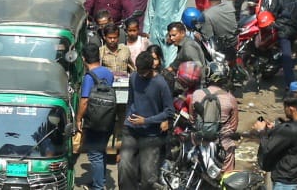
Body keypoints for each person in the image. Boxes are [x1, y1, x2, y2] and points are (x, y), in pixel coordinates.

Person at [118, 50, 173, 190]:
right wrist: (127, 120)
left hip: (151, 135)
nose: (140, 74)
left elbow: (169, 111)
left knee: (148, 176)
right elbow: (130, 101)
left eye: (143, 71)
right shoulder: (133, 77)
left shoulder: (161, 83)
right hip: (130, 131)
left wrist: (147, 120)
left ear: (151, 68)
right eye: (138, 70)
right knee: (124, 167)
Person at [179, 62, 238, 171]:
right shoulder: (231, 98)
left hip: (199, 141)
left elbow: (192, 119)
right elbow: (233, 127)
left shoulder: (197, 94)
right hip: (222, 145)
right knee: (227, 176)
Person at [76, 43, 118, 190]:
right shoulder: (108, 73)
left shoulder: (89, 77)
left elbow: (85, 101)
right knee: (101, 150)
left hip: (94, 121)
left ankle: (98, 186)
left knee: (94, 154)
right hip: (109, 118)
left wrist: (78, 119)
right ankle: (101, 181)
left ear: (83, 59)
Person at [256, 90, 297, 190]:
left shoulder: (289, 131)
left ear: (291, 109)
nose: (284, 111)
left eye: (285, 108)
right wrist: (276, 129)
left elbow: (267, 148)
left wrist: (261, 131)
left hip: (285, 181)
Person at [200, 0, 237, 64]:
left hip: (222, 48)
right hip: (235, 41)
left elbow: (208, 37)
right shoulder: (230, 6)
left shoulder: (206, 15)